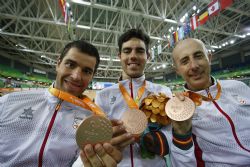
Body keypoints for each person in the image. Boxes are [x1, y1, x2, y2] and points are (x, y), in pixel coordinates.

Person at [74, 28, 196, 167]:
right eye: (127, 51)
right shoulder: (103, 95)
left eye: (139, 51)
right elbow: (95, 139)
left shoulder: (162, 91)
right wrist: (108, 140)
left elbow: (172, 133)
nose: (133, 56)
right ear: (119, 55)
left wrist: (152, 140)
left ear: (148, 56)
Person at [0, 40, 123, 167]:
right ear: (58, 63)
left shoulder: (92, 121)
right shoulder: (8, 102)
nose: (76, 76)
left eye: (86, 71)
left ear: (92, 76)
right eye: (70, 64)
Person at [172, 38, 250, 166]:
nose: (194, 66)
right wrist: (181, 134)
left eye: (198, 56)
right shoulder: (179, 108)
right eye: (185, 61)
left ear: (209, 57)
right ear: (177, 70)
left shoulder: (238, 86)